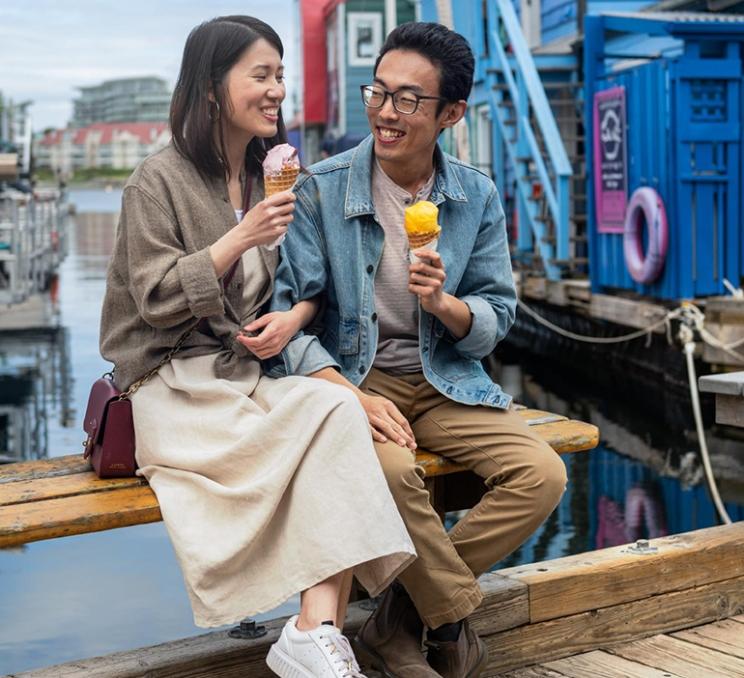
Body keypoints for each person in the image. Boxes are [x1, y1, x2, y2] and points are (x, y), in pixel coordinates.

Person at [99, 16, 415, 678]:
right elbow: (154, 296)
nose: (277, 90)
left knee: (336, 413)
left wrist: (294, 317)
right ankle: (322, 637)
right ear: (213, 88)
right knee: (323, 436)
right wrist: (240, 237)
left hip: (247, 375)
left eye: (281, 75)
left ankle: (313, 629)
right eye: (262, 75)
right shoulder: (155, 181)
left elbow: (304, 287)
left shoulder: (272, 174)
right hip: (171, 387)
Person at [270, 22, 568, 678]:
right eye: (379, 92)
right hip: (356, 379)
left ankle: (399, 618)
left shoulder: (474, 195)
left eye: (408, 100)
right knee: (395, 475)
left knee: (542, 475)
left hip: (447, 376)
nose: (384, 111)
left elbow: (499, 316)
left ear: (451, 114)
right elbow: (289, 320)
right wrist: (351, 394)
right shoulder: (319, 189)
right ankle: (449, 617)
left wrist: (445, 306)